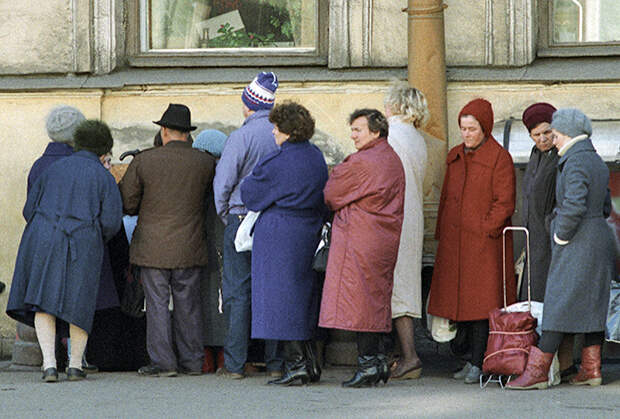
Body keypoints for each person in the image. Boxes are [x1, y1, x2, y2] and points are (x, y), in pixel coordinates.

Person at [507, 108, 615, 390]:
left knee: (557, 302)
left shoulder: (575, 161)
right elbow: (604, 206)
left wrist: (560, 235)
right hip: (598, 238)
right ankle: (592, 370)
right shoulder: (595, 160)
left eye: (554, 134)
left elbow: (574, 204)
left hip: (577, 240)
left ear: (566, 132)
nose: (551, 140)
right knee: (593, 303)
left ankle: (537, 372)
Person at [6, 119, 122, 382]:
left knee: (43, 302)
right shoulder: (103, 176)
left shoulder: (52, 169)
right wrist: (93, 236)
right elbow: (112, 222)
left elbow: (29, 209)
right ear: (103, 151)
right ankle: (75, 365)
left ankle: (49, 365)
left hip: (43, 238)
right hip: (83, 240)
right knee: (79, 302)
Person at [119, 103, 215, 377]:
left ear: (163, 131)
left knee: (157, 305)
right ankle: (193, 362)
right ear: (188, 133)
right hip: (191, 245)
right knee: (189, 305)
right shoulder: (206, 162)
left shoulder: (144, 160)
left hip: (152, 248)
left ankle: (164, 363)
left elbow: (128, 203)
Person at [427, 98, 516, 384]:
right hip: (456, 243)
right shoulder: (455, 156)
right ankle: (468, 360)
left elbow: (504, 202)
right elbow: (445, 200)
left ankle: (480, 361)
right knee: (458, 305)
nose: (466, 134)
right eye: (463, 128)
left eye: (472, 129)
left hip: (483, 245)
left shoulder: (499, 158)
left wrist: (484, 228)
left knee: (482, 306)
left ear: (485, 128)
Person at [240, 102, 329, 385]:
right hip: (308, 230)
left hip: (280, 234)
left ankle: (296, 365)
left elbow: (251, 194)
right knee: (302, 299)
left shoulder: (277, 161)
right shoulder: (315, 156)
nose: (274, 132)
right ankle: (310, 362)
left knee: (279, 300)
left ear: (288, 132)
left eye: (277, 128)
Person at [319, 109, 405, 388]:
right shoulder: (390, 157)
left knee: (360, 303)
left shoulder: (363, 162)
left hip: (360, 239)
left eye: (358, 129)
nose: (353, 135)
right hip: (382, 238)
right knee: (375, 298)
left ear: (375, 131)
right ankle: (379, 361)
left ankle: (368, 363)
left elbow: (331, 194)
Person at [213, 72, 281, 379]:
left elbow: (223, 182)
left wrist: (226, 215)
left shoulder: (240, 137)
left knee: (238, 293)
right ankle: (277, 362)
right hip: (275, 219)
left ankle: (235, 364)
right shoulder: (282, 134)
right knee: (273, 290)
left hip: (241, 218)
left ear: (247, 104)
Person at [520, 102, 577, 379]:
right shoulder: (535, 156)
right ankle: (546, 364)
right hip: (535, 242)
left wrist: (552, 228)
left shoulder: (561, 157)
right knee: (538, 301)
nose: (542, 139)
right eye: (535, 135)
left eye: (546, 133)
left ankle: (563, 364)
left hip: (554, 241)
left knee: (557, 300)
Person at [384, 83, 429, 380]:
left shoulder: (389, 134)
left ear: (395, 106)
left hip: (392, 217)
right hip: (412, 217)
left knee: (394, 287)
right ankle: (402, 354)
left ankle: (409, 356)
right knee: (404, 284)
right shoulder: (417, 137)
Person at [192, 129, 229, 372]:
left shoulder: (194, 178)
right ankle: (226, 356)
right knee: (225, 299)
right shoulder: (229, 177)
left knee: (201, 301)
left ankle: (205, 357)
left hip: (198, 245)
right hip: (224, 246)